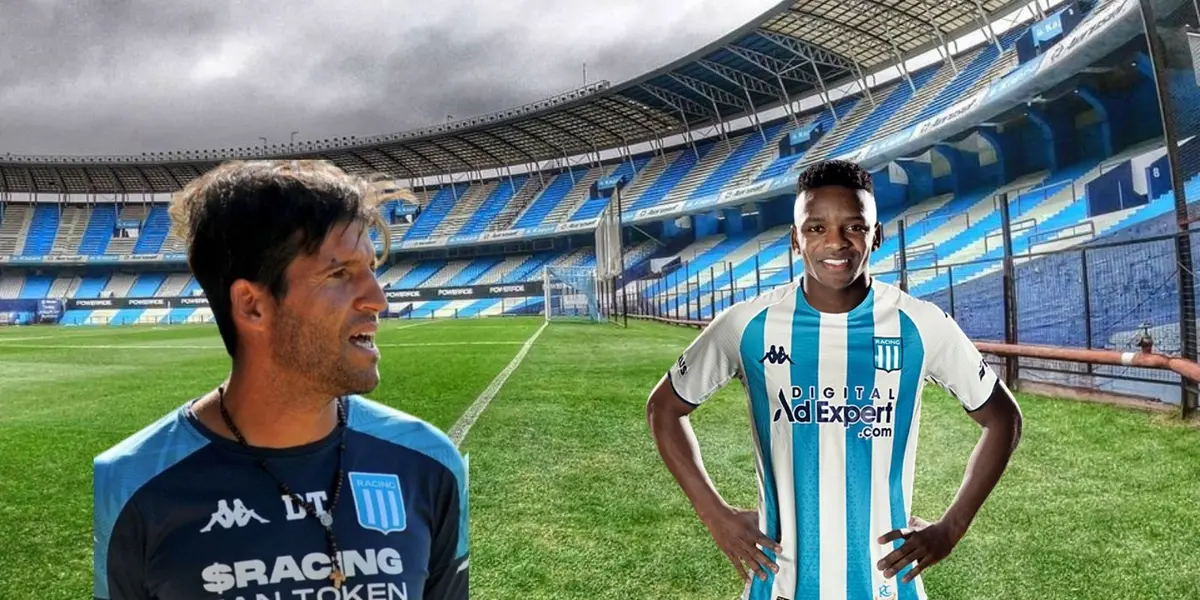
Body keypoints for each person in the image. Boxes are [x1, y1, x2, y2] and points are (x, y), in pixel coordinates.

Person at [646, 159, 1023, 600]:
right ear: (794, 239)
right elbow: (664, 408)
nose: (835, 242)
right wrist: (715, 515)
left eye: (855, 227)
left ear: (876, 235)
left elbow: (1003, 419)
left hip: (886, 585)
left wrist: (951, 528)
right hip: (782, 584)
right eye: (815, 228)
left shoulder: (921, 324)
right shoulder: (748, 325)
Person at [93, 160, 468, 600]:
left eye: (371, 269)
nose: (378, 300)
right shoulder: (130, 484)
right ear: (252, 306)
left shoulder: (429, 463)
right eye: (340, 274)